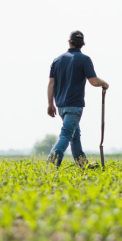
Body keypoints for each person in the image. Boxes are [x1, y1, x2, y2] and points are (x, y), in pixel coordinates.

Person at [47, 30, 109, 168]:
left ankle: (83, 165)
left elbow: (51, 83)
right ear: (82, 44)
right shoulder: (84, 59)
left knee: (75, 135)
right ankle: (51, 164)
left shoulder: (57, 60)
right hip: (74, 105)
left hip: (61, 106)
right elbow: (93, 81)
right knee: (67, 134)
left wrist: (50, 104)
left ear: (69, 41)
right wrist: (104, 84)